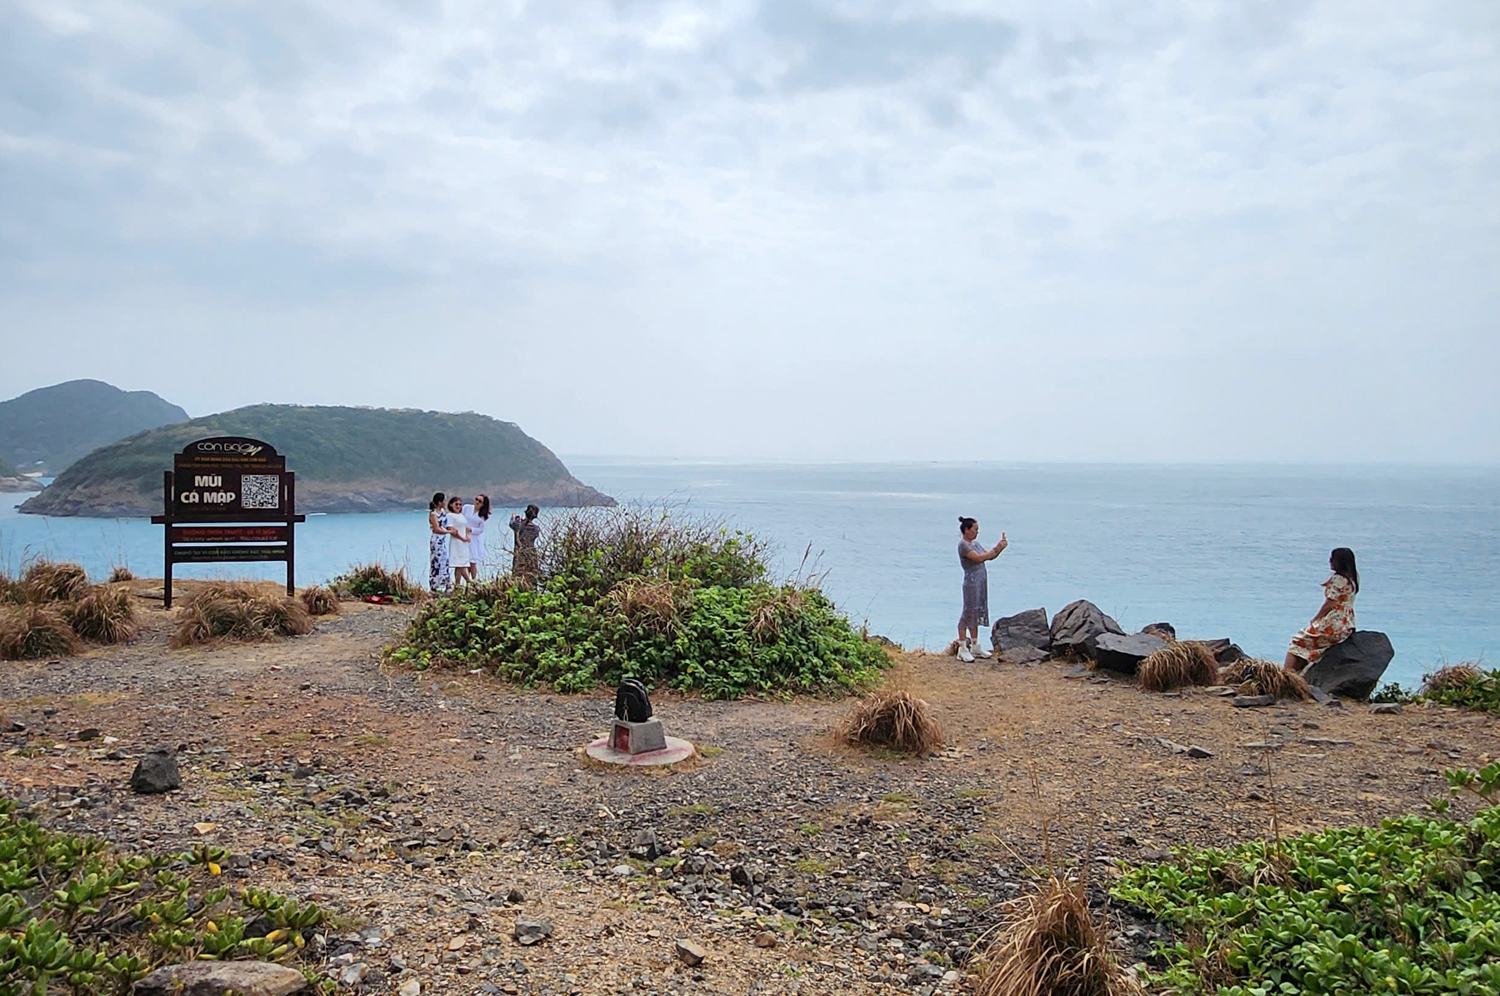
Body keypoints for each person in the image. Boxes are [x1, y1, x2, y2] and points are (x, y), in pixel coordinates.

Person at [1284, 547, 1359, 673]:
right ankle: (1300, 672)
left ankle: (1285, 675)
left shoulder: (1338, 579)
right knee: (1310, 644)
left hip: (1334, 624)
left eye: (1332, 559)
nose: (1330, 561)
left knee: (1297, 641)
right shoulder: (1352, 578)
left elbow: (1330, 603)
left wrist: (1316, 618)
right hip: (1346, 625)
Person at [956, 516, 1007, 663]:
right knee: (968, 611)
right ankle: (962, 647)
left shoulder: (975, 544)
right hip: (971, 582)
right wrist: (997, 547)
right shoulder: (963, 545)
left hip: (980, 581)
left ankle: (975, 644)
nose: (977, 532)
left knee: (977, 610)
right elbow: (979, 558)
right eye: (975, 529)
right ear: (967, 530)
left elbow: (988, 557)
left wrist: (1000, 548)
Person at [509, 503, 541, 584]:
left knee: (517, 577)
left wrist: (514, 517)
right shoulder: (536, 529)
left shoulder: (518, 525)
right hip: (531, 553)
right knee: (531, 577)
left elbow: (511, 524)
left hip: (519, 553)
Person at [463, 494, 491, 580]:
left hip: (474, 539)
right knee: (463, 561)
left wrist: (471, 529)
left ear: (483, 504)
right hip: (463, 536)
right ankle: (464, 582)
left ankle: (474, 580)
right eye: (476, 499)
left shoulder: (482, 515)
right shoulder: (467, 508)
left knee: (472, 561)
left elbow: (480, 530)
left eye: (480, 501)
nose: (477, 502)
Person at [445, 495, 472, 587]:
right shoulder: (449, 515)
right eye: (456, 504)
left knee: (460, 564)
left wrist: (467, 536)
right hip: (456, 542)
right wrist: (462, 538)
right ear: (451, 505)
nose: (458, 506)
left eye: (460, 504)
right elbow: (451, 529)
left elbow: (465, 528)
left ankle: (457, 585)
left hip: (463, 543)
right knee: (461, 564)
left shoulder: (460, 515)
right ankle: (470, 583)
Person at [427, 492, 451, 593]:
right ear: (439, 502)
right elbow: (436, 529)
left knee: (444, 561)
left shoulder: (443, 512)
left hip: (443, 540)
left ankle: (446, 583)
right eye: (444, 501)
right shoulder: (433, 514)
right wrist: (449, 532)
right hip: (436, 540)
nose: (445, 502)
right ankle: (434, 585)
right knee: (436, 561)